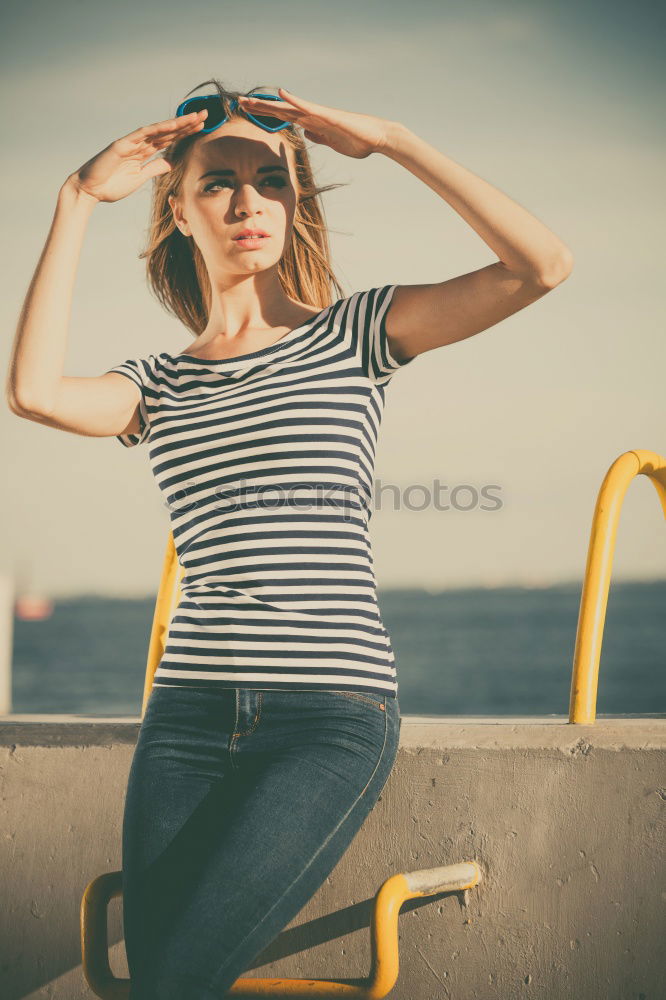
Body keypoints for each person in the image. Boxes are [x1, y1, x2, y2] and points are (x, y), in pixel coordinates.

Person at [6, 79, 572, 998]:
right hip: (185, 716)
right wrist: (75, 198)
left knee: (175, 977)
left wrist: (391, 138)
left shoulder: (354, 335)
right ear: (178, 212)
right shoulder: (155, 382)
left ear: (295, 202)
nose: (248, 202)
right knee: (159, 974)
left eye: (271, 180)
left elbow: (540, 267)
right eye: (219, 182)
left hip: (327, 716)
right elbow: (31, 391)